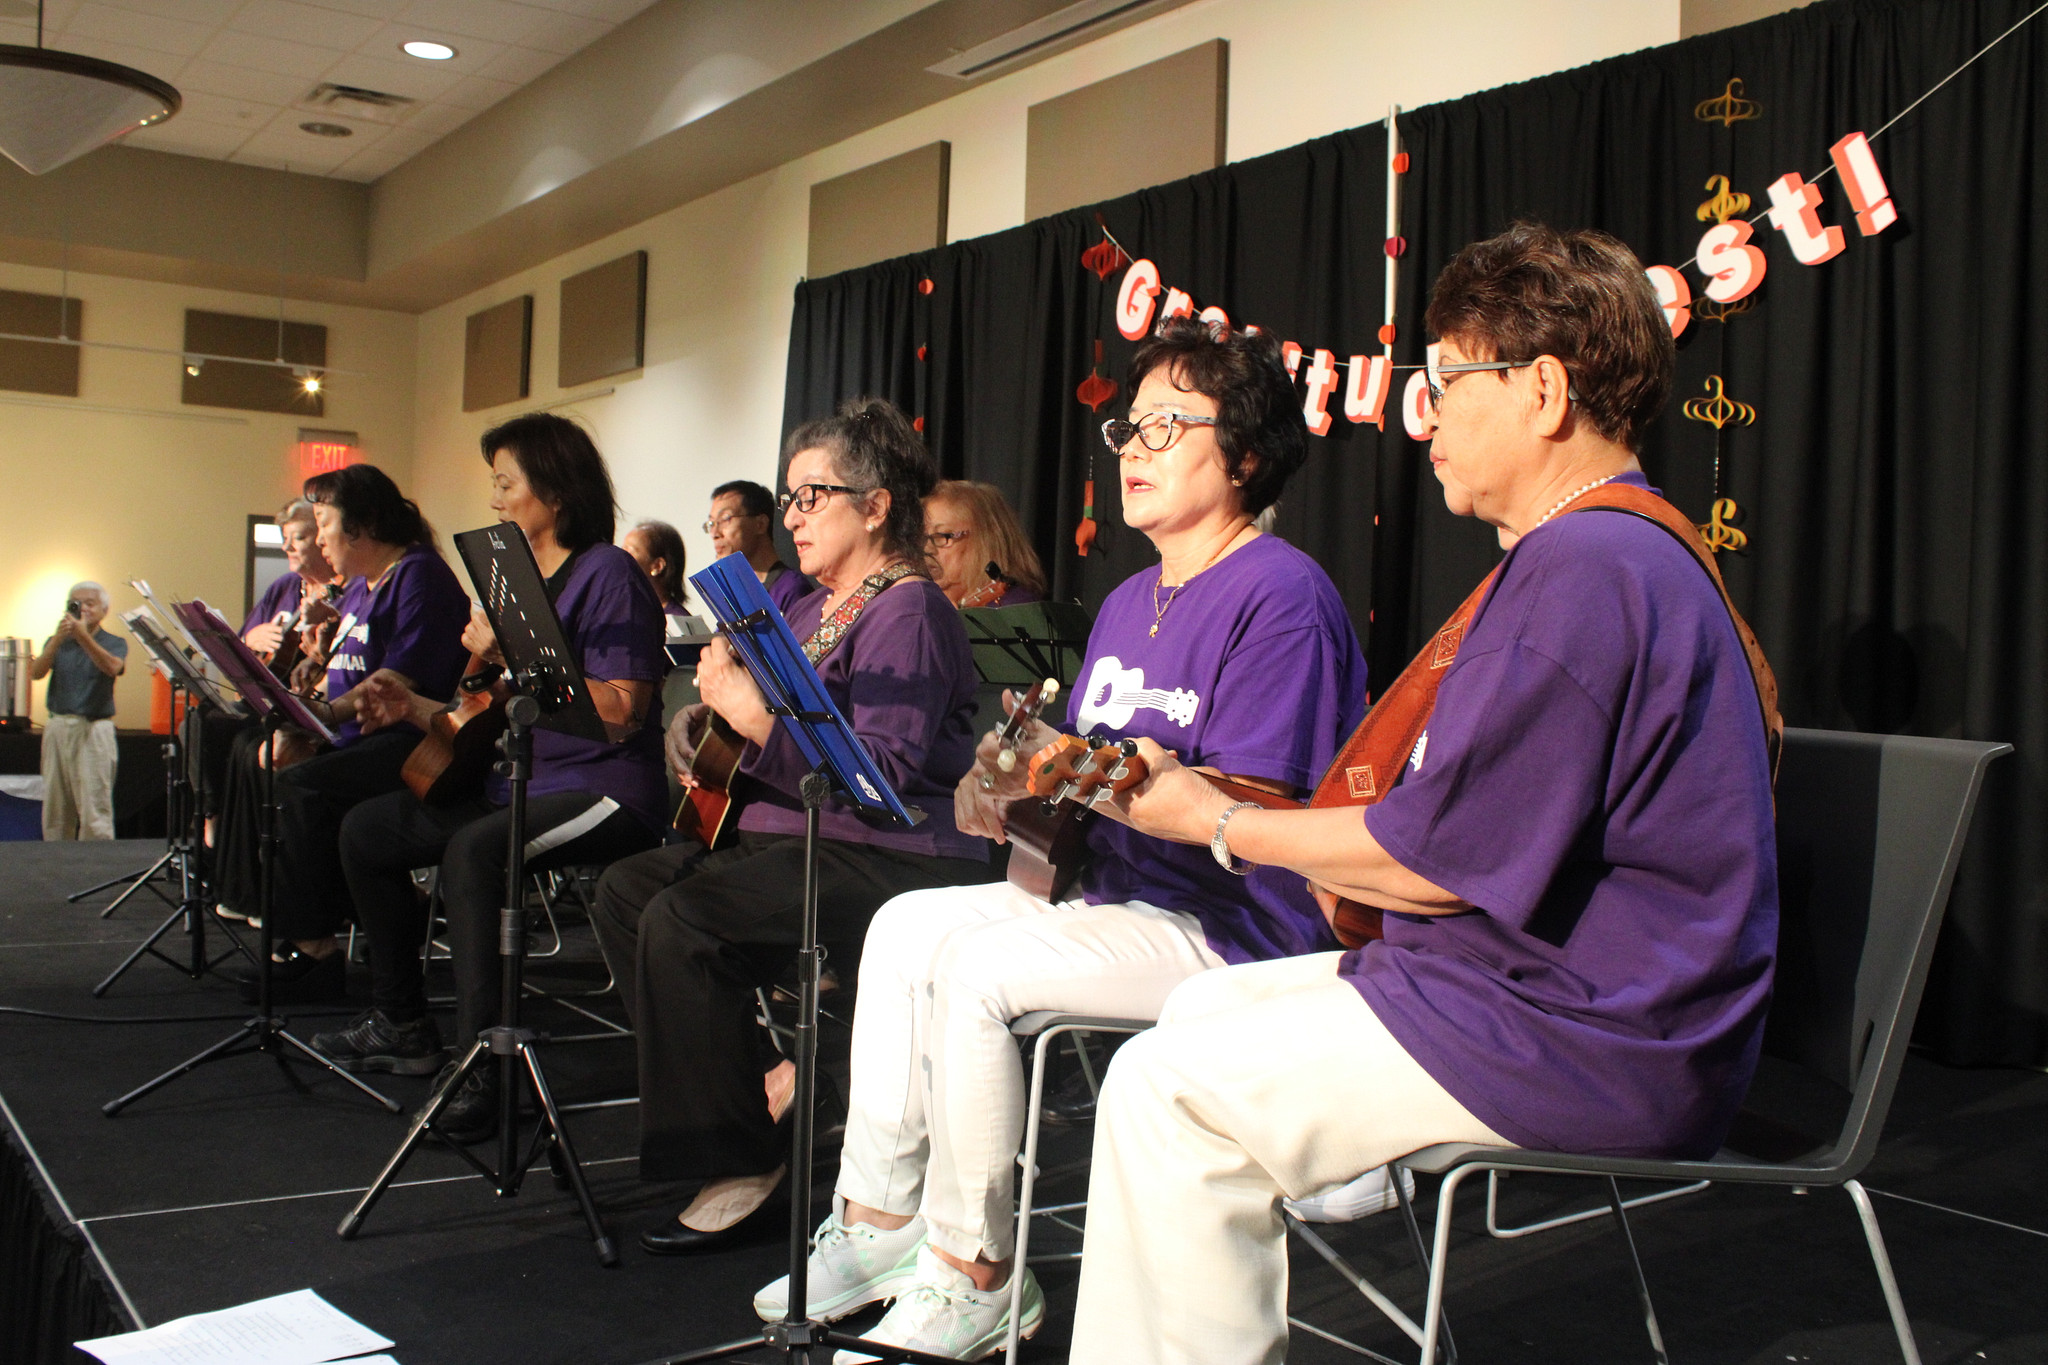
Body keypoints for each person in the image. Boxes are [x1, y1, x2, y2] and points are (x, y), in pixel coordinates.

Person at [1065, 224, 1781, 1364]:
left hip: (1593, 1035)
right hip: (1540, 991)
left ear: (1543, 391)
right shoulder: (1600, 551)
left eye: (1447, 382)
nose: (1426, 416)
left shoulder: (1589, 569)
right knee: (1194, 1015)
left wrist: (1218, 821)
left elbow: (1436, 865)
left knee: (1167, 1089)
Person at [755, 319, 1369, 1359]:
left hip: (1226, 922)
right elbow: (1076, 775)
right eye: (1129, 426)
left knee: (979, 971)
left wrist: (1069, 771)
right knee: (902, 929)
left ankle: (977, 1272)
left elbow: (1251, 806)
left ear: (1245, 456)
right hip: (1111, 895)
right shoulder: (1129, 600)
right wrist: (1006, 783)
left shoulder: (1281, 593)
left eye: (1167, 425)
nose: (1131, 446)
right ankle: (879, 1222)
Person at [590, 398, 991, 1254]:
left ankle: (742, 1159)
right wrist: (703, 724)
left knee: (685, 919)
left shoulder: (910, 610)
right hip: (798, 836)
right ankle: (758, 1090)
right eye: (791, 498)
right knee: (625, 892)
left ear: (876, 506)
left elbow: (879, 773)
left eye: (813, 496)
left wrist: (752, 717)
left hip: (890, 852)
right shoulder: (811, 607)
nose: (794, 516)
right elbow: (764, 729)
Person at [314, 413, 668, 1141]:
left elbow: (621, 713)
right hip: (517, 781)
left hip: (605, 787)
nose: (496, 499)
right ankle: (403, 1023)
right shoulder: (512, 580)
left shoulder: (607, 571)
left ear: (556, 491)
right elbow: (477, 707)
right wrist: (412, 707)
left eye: (507, 483)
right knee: (367, 832)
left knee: (475, 852)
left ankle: (485, 1069)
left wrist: (511, 651)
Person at [223, 465, 472, 1001]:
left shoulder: (418, 575)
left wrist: (315, 723)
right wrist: (311, 675)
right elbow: (345, 669)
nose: (319, 539)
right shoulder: (361, 586)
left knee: (300, 786)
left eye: (323, 523)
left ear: (363, 526)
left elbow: (392, 685)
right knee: (260, 756)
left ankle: (314, 950)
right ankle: (293, 917)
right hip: (361, 734)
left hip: (414, 738)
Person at [203, 501, 339, 849]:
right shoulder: (284, 587)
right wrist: (252, 637)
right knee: (203, 718)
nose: (287, 547)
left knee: (237, 738)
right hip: (261, 696)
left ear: (322, 539)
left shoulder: (341, 592)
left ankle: (243, 841)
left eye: (299, 537)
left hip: (300, 705)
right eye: (284, 538)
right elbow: (238, 644)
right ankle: (212, 816)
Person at [33, 582, 127, 840]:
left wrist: (84, 636)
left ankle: (95, 862)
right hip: (57, 726)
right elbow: (36, 672)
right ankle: (55, 861)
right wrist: (57, 640)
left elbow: (112, 667)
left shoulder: (114, 642)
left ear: (104, 610)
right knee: (55, 810)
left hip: (93, 729)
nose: (82, 608)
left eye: (90, 603)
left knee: (94, 809)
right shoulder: (57, 641)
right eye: (75, 603)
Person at [924, 480, 1047, 607]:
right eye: (921, 537)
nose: (926, 548)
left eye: (941, 535)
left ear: (986, 541)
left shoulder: (1013, 608)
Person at [705, 478, 808, 614]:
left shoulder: (792, 589)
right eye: (711, 523)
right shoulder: (738, 594)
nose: (715, 534)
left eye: (725, 518)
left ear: (760, 524)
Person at [623, 518, 691, 621]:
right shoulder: (625, 610)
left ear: (657, 566)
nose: (621, 558)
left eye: (628, 552)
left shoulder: (676, 621)